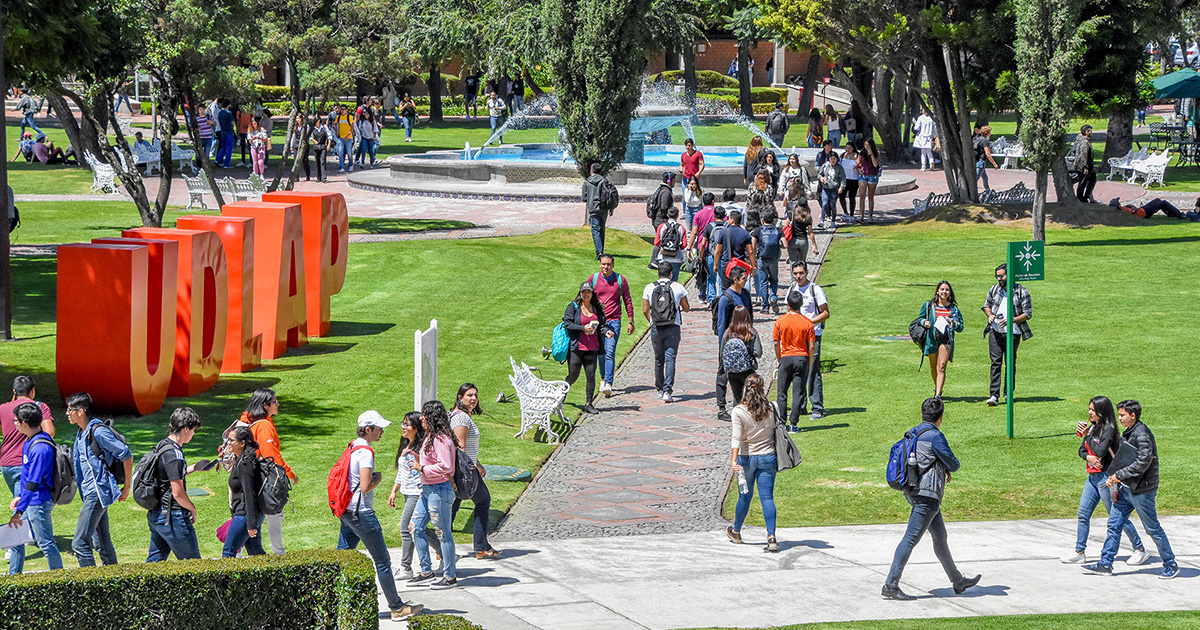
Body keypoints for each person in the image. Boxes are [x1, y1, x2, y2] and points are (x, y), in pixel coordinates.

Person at [882, 398, 981, 600]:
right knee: (910, 539)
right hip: (926, 495)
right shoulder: (935, 436)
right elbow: (954, 463)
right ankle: (890, 585)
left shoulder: (915, 432)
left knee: (940, 538)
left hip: (914, 491)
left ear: (922, 414)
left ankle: (958, 581)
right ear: (941, 418)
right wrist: (946, 466)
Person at [339, 412, 425, 618]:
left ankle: (334, 602)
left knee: (342, 557)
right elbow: (366, 486)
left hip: (347, 511)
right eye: (379, 428)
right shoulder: (365, 452)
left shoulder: (352, 446)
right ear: (368, 430)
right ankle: (396, 607)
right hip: (362, 513)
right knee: (383, 560)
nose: (382, 432)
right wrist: (378, 478)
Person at [1082, 400, 1178, 579]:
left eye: (1122, 415)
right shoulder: (1129, 432)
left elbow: (1143, 461)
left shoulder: (1142, 434)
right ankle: (1105, 563)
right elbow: (1125, 459)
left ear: (1133, 416)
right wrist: (1115, 476)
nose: (1119, 419)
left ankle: (1170, 564)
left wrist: (1120, 475)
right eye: (1119, 415)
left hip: (1142, 491)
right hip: (1126, 488)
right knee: (1114, 524)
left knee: (1152, 528)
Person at [1062, 397, 1147, 566]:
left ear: (1101, 411)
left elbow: (1100, 451)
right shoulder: (1093, 427)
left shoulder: (1108, 429)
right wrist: (1088, 456)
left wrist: (1087, 437)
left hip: (1105, 478)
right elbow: (1081, 451)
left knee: (1116, 516)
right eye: (1089, 409)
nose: (1089, 412)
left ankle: (1139, 548)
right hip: (1092, 478)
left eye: (1092, 410)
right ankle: (1080, 551)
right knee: (1083, 514)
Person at [65, 393, 131, 568]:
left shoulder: (98, 431)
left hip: (97, 492)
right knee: (102, 542)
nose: (66, 413)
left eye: (70, 410)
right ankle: (115, 581)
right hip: (90, 493)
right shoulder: (81, 433)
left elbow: (126, 455)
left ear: (80, 411)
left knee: (79, 543)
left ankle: (92, 586)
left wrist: (127, 487)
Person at [6, 403, 63, 575]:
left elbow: (33, 482)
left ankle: (59, 580)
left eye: (15, 420)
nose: (13, 423)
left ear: (24, 423)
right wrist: (20, 497)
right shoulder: (31, 441)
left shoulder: (40, 448)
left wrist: (20, 510)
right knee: (16, 540)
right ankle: (13, 580)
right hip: (30, 500)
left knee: (45, 543)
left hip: (38, 503)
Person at [408, 401, 459, 590]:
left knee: (443, 533)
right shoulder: (431, 437)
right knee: (415, 527)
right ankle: (425, 571)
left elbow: (446, 466)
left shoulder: (442, 439)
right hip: (428, 490)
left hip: (440, 491)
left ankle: (450, 576)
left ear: (432, 416)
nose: (421, 417)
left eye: (424, 414)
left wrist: (422, 467)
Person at [240, 388, 297, 555]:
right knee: (274, 514)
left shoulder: (255, 422)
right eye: (275, 401)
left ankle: (241, 551)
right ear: (265, 405)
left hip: (251, 477)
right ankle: (279, 554)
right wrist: (289, 473)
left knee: (254, 518)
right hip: (263, 479)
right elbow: (271, 455)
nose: (278, 404)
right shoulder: (264, 426)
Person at [450, 384, 502, 559]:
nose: (473, 398)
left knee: (453, 505)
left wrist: (478, 463)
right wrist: (469, 471)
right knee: (483, 500)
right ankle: (481, 545)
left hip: (468, 468)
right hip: (465, 470)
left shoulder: (462, 417)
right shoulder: (461, 419)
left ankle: (443, 548)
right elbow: (460, 447)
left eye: (475, 395)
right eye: (469, 395)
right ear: (459, 397)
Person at [727, 373, 778, 552]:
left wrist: (733, 461)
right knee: (767, 497)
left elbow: (736, 438)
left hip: (746, 458)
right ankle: (771, 536)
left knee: (744, 497)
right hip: (768, 456)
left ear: (745, 389)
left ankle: (736, 530)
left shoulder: (739, 411)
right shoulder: (772, 407)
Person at [387, 412, 441, 579]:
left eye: (407, 424)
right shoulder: (406, 446)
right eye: (403, 423)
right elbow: (402, 473)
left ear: (416, 428)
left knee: (406, 528)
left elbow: (423, 469)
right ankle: (447, 554)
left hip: (417, 493)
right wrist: (394, 490)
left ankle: (406, 567)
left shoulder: (422, 448)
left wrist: (415, 456)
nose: (403, 427)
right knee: (419, 528)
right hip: (407, 492)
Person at [146, 407, 204, 562]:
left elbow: (167, 477)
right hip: (173, 517)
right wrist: (192, 508)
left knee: (154, 565)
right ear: (186, 429)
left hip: (157, 514)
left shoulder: (162, 446)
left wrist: (195, 468)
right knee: (194, 565)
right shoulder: (175, 454)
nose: (193, 434)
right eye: (193, 430)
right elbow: (177, 493)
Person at [981, 263, 1032, 406]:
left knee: (1010, 363)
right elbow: (986, 306)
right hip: (995, 331)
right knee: (995, 363)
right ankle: (994, 395)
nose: (999, 279)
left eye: (1001, 276)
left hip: (1013, 333)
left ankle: (1008, 393)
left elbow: (1028, 314)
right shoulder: (994, 289)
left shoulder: (1021, 291)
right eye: (997, 276)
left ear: (1009, 275)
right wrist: (990, 315)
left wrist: (1011, 320)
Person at [1, 376, 56, 504]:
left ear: (14, 391)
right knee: (24, 507)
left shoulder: (2, 408)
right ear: (32, 390)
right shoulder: (39, 407)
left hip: (6, 464)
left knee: (21, 502)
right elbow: (50, 432)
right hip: (25, 463)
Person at [786, 262, 830, 420]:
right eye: (795, 273)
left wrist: (809, 323)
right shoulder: (792, 290)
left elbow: (825, 313)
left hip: (813, 335)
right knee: (798, 370)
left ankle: (817, 407)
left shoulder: (815, 290)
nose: (798, 276)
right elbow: (788, 312)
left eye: (801, 273)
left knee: (812, 370)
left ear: (807, 272)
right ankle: (800, 406)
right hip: (796, 337)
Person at [642, 262, 691, 402]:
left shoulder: (649, 287)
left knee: (658, 359)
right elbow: (686, 308)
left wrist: (652, 321)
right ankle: (667, 391)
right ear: (671, 273)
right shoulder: (677, 287)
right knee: (670, 358)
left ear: (658, 273)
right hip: (672, 326)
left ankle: (659, 388)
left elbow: (645, 309)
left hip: (656, 326)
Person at [563, 281, 612, 415]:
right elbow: (567, 323)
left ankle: (589, 403)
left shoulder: (596, 308)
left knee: (591, 377)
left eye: (588, 292)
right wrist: (582, 328)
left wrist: (606, 331)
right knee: (573, 375)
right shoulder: (573, 307)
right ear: (580, 294)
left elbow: (602, 325)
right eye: (583, 292)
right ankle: (561, 393)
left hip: (592, 348)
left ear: (592, 294)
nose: (586, 294)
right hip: (577, 348)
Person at [714, 266, 754, 421]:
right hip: (728, 342)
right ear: (735, 279)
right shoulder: (726, 299)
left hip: (745, 341)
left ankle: (744, 403)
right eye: (744, 278)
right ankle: (722, 407)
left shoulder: (745, 294)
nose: (746, 280)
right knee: (723, 373)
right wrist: (722, 347)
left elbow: (750, 316)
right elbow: (721, 324)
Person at [773, 290, 816, 432]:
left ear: (788, 304)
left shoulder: (780, 321)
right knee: (798, 393)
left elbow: (775, 342)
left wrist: (780, 358)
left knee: (782, 392)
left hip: (785, 358)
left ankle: (782, 422)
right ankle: (794, 424)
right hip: (801, 358)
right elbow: (811, 345)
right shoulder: (808, 323)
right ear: (801, 304)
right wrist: (809, 362)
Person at [222, 426, 265, 558]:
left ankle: (226, 579)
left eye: (231, 440)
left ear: (242, 443)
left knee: (228, 553)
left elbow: (249, 494)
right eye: (227, 440)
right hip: (248, 515)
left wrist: (251, 523)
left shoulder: (246, 464)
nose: (228, 443)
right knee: (255, 552)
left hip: (245, 515)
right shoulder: (242, 460)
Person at [918, 281, 963, 399]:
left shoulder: (953, 308)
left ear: (950, 292)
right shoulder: (929, 305)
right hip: (932, 340)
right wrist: (925, 322)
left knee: (941, 366)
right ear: (937, 291)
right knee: (934, 367)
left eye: (947, 290)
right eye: (942, 289)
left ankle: (937, 395)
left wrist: (953, 323)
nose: (944, 292)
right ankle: (937, 387)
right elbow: (920, 319)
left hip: (946, 340)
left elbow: (961, 326)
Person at [720, 306, 762, 405]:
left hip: (732, 371)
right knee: (751, 396)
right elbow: (758, 353)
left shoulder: (728, 333)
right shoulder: (751, 332)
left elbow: (722, 352)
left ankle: (736, 417)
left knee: (737, 397)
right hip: (748, 369)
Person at [712, 209, 756, 292]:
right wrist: (752, 266)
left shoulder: (723, 232)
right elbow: (750, 252)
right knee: (740, 288)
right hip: (740, 264)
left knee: (726, 289)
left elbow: (717, 251)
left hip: (727, 264)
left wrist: (715, 264)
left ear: (732, 219)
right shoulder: (745, 233)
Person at [584, 163, 618, 259]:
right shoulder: (605, 181)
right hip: (603, 208)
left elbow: (584, 197)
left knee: (595, 230)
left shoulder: (587, 182)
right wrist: (611, 208)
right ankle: (601, 250)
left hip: (593, 208)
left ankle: (599, 251)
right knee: (602, 229)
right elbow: (610, 195)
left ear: (591, 171)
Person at [752, 209, 783, 313]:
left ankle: (765, 307)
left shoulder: (758, 230)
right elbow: (785, 245)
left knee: (763, 282)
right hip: (774, 259)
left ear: (763, 219)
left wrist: (753, 260)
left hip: (762, 258)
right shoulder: (778, 230)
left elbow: (752, 246)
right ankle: (773, 297)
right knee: (774, 279)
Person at [700, 206, 728, 309]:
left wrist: (701, 256)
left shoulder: (709, 227)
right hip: (724, 256)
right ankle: (721, 299)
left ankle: (711, 300)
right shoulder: (727, 226)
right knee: (722, 279)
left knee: (711, 278)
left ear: (714, 215)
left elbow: (703, 243)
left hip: (711, 256)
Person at [785, 188, 818, 271]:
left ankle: (794, 281)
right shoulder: (808, 217)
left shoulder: (792, 214)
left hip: (793, 240)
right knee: (802, 262)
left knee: (793, 261)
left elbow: (785, 225)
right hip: (803, 241)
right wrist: (815, 245)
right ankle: (803, 279)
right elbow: (811, 233)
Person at [646, 172, 675, 266]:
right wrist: (669, 216)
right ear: (669, 181)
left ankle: (657, 260)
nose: (675, 182)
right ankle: (654, 261)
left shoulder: (662, 189)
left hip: (657, 219)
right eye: (674, 180)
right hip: (661, 220)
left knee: (660, 241)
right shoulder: (666, 192)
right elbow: (663, 207)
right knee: (660, 241)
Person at [817, 152, 845, 230]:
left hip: (834, 188)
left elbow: (843, 178)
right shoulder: (825, 166)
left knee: (833, 205)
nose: (832, 160)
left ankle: (833, 221)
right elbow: (819, 174)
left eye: (834, 159)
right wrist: (821, 178)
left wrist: (841, 187)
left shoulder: (839, 168)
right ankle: (822, 221)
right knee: (825, 203)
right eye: (831, 158)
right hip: (826, 187)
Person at [857, 138, 881, 223]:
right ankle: (861, 215)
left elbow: (875, 164)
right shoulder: (861, 153)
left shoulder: (876, 153)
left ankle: (870, 215)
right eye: (865, 145)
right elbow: (858, 164)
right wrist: (859, 170)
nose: (866, 147)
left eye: (868, 145)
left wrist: (871, 153)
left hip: (872, 176)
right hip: (863, 176)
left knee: (870, 196)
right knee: (862, 195)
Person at [1073, 125, 1097, 203]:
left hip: (1086, 166)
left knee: (1091, 180)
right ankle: (1081, 198)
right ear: (1087, 132)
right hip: (1083, 167)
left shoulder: (1082, 140)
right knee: (1082, 182)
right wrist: (1085, 167)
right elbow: (1084, 155)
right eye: (1090, 131)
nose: (1091, 133)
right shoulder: (1085, 142)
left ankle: (1085, 197)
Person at [838, 144, 861, 222]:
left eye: (850, 148)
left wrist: (858, 167)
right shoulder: (842, 155)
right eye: (846, 148)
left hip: (854, 179)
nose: (847, 149)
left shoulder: (857, 155)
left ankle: (852, 214)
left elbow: (859, 166)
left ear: (853, 148)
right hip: (844, 179)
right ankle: (845, 212)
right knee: (841, 196)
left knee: (852, 197)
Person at [973, 125, 998, 194]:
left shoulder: (978, 139)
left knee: (985, 177)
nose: (990, 134)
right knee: (976, 178)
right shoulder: (985, 141)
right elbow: (987, 153)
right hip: (981, 162)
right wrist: (994, 163)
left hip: (976, 160)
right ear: (987, 133)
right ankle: (971, 192)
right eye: (990, 132)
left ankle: (988, 191)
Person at [332, 104, 356, 174]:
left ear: (346, 110)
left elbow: (352, 127)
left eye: (344, 109)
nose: (342, 111)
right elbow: (335, 125)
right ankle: (342, 166)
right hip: (340, 138)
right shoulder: (338, 117)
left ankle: (351, 164)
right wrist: (337, 132)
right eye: (341, 109)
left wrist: (348, 135)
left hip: (348, 138)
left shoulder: (349, 117)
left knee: (349, 152)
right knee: (340, 152)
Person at [310, 116, 331, 183]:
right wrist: (313, 140)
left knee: (323, 161)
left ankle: (323, 177)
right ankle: (318, 177)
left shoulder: (324, 127)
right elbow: (309, 137)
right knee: (317, 162)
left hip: (323, 146)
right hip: (316, 146)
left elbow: (329, 136)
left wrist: (328, 144)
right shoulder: (313, 128)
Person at [217, 100, 236, 168]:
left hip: (223, 131)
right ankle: (226, 163)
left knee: (224, 146)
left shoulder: (220, 113)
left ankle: (218, 159)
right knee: (229, 147)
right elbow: (232, 123)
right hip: (229, 131)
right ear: (228, 105)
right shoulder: (229, 113)